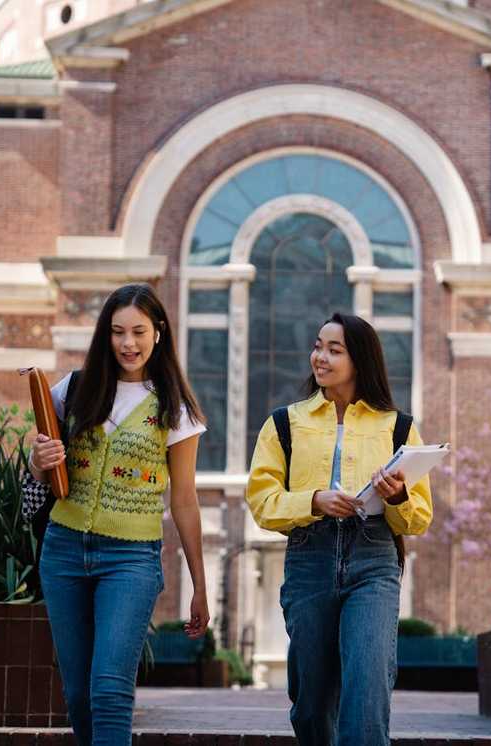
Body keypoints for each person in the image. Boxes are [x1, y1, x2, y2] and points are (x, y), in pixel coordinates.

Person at [25, 283, 210, 746]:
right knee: (78, 695)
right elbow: (40, 465)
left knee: (109, 689)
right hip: (64, 550)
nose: (128, 343)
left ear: (158, 333)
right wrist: (38, 459)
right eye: (117, 332)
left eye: (139, 332)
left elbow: (184, 500)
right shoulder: (75, 388)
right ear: (105, 336)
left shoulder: (175, 408)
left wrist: (199, 586)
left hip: (131, 560)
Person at [245, 312, 434, 746]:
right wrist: (313, 500)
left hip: (374, 561)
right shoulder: (283, 423)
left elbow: (419, 517)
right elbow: (261, 501)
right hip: (309, 559)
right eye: (318, 346)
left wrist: (397, 497)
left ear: (360, 359)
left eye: (334, 349)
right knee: (311, 701)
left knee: (367, 689)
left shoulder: (398, 427)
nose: (320, 357)